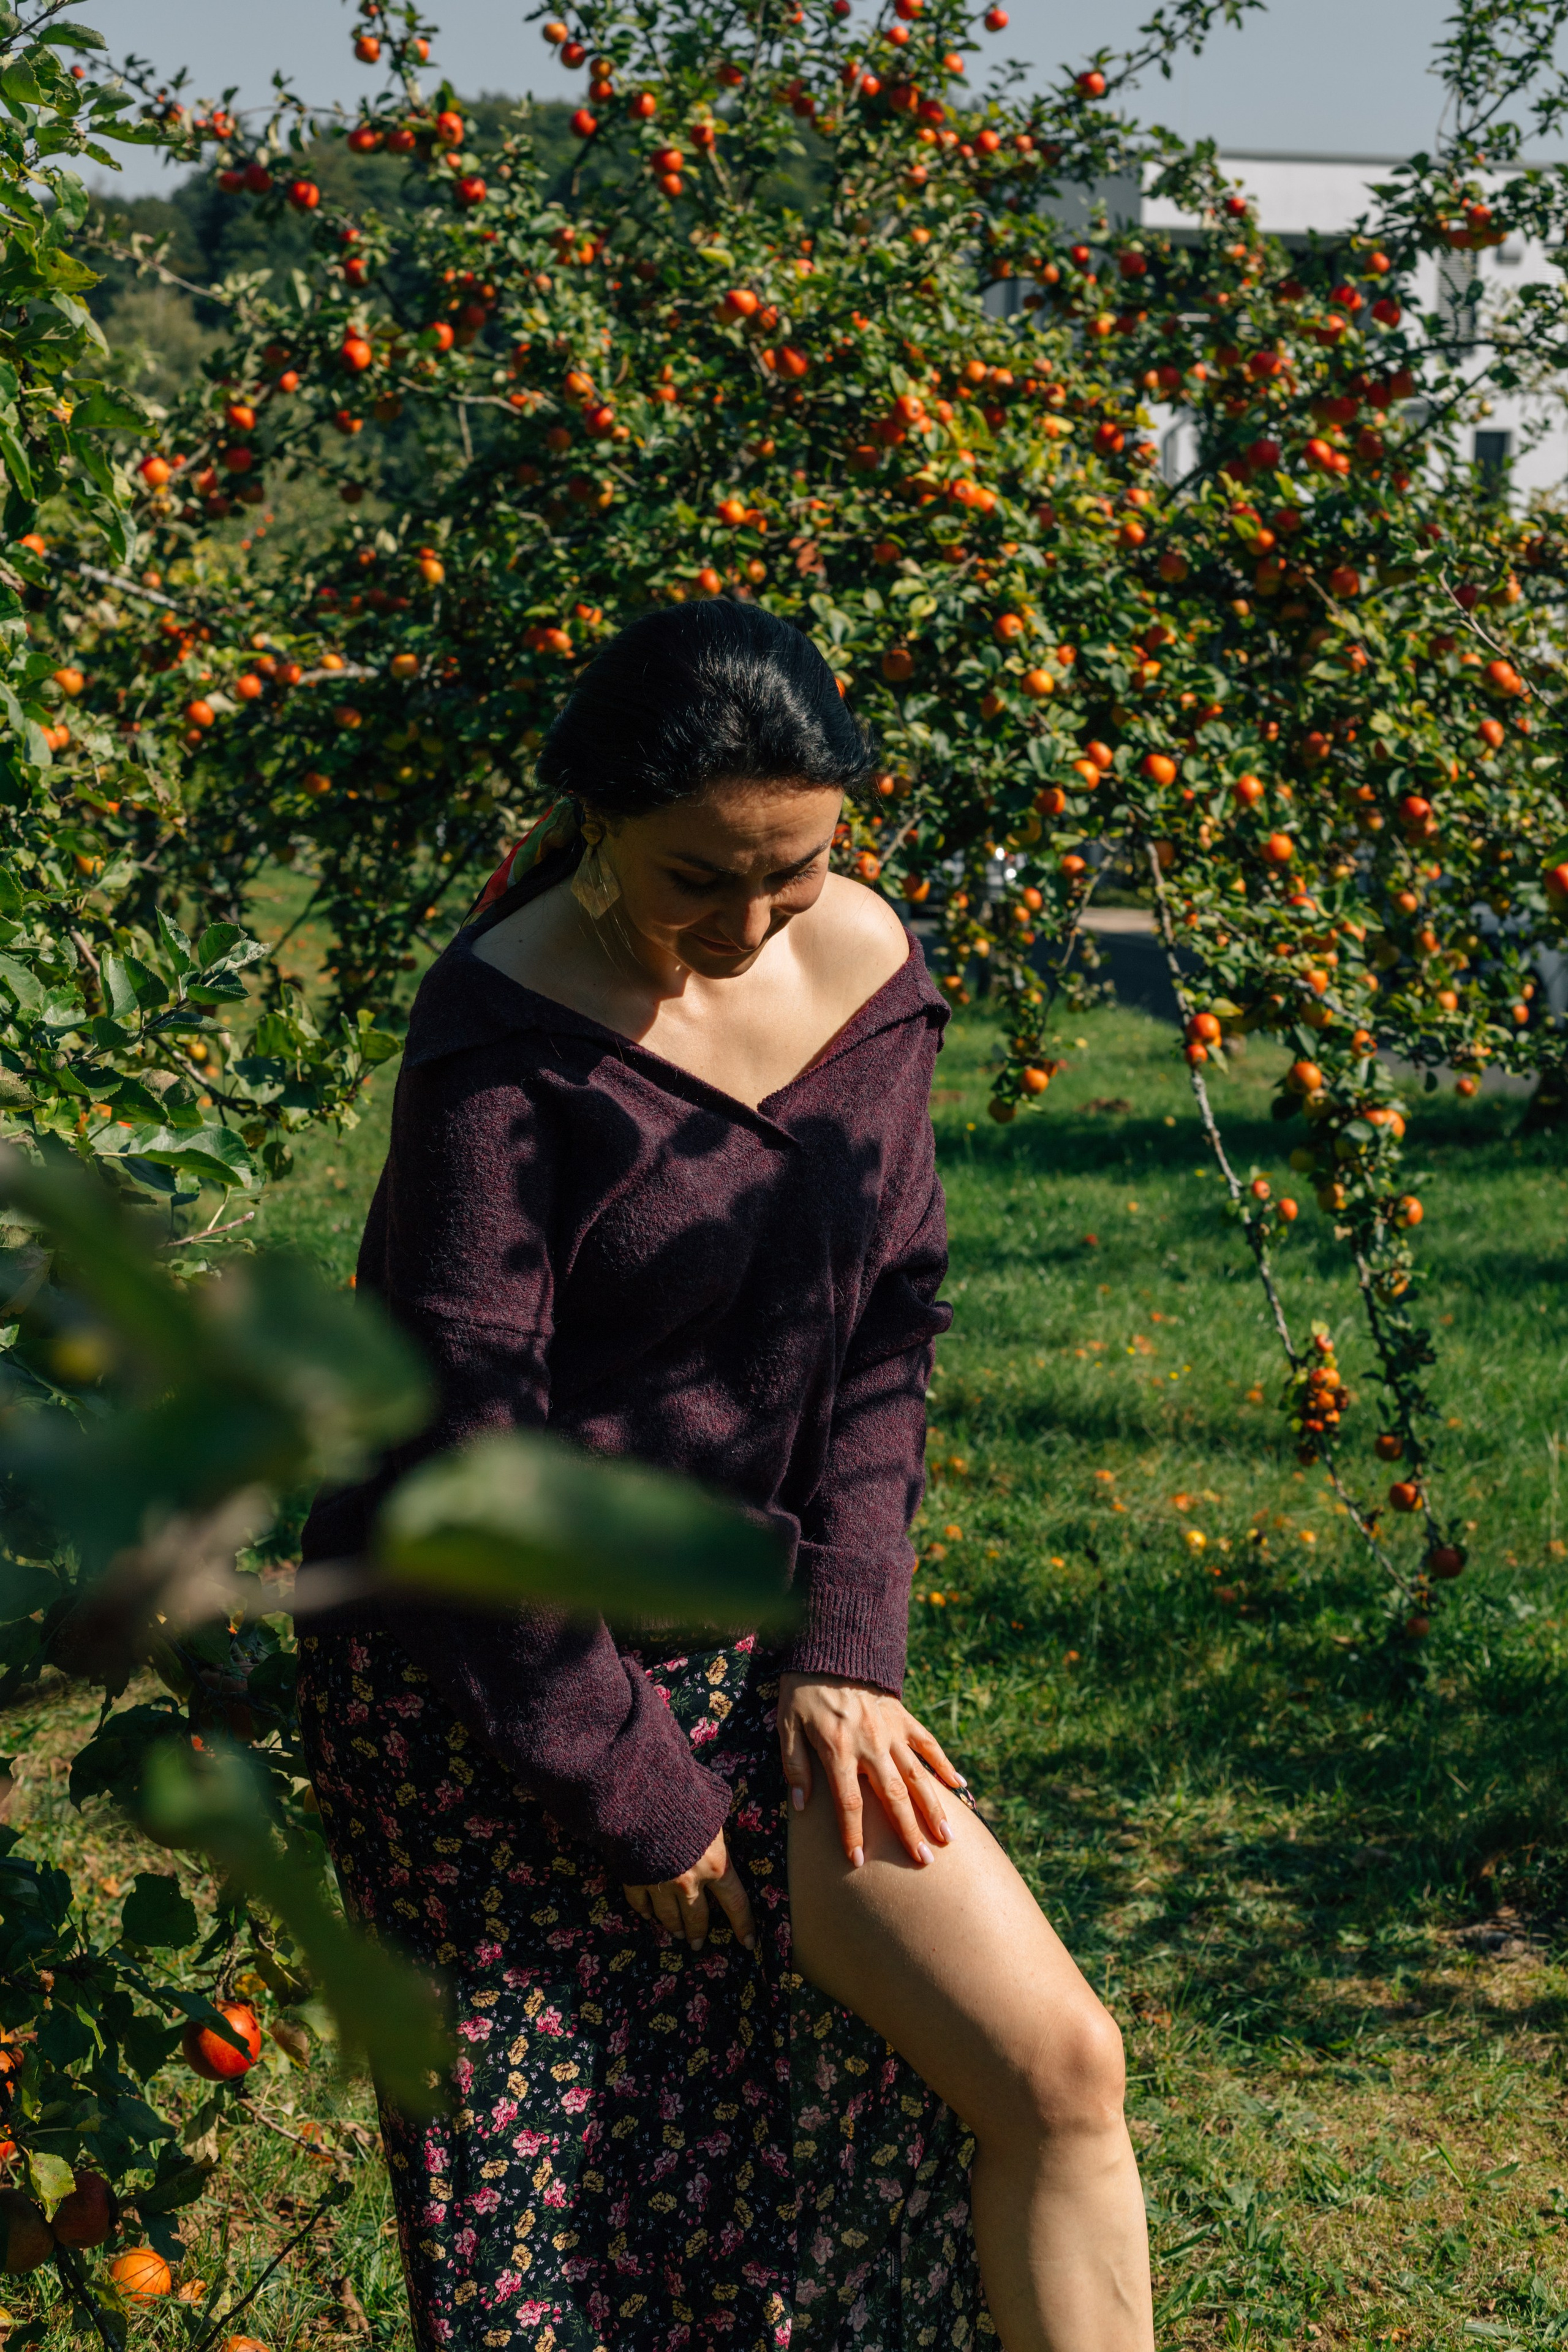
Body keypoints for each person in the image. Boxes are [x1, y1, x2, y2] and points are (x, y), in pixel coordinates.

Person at [295, 600, 1155, 2352]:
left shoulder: (867, 972)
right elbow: (461, 1455)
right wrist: (625, 1783)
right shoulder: (503, 1046)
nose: (753, 925)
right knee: (606, 2257)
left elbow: (892, 1325)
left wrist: (848, 1647)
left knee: (1056, 2065)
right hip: (496, 1695)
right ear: (592, 819)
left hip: (759, 1658)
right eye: (701, 876)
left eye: (797, 871)